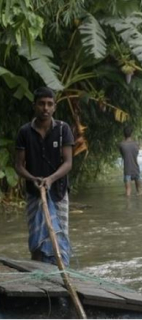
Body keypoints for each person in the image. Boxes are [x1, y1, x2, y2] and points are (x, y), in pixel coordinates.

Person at [14, 87, 74, 266]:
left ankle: (61, 275)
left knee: (59, 236)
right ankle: (39, 278)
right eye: (41, 104)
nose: (45, 108)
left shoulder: (63, 130)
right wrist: (33, 179)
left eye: (49, 104)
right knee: (37, 240)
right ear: (35, 106)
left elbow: (68, 163)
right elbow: (18, 165)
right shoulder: (24, 132)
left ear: (54, 107)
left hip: (58, 193)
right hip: (34, 193)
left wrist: (50, 179)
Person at [119, 126, 141, 196]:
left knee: (128, 191)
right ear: (131, 134)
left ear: (123, 134)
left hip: (127, 170)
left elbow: (123, 155)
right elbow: (136, 154)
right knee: (139, 191)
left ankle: (128, 206)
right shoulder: (136, 144)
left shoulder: (121, 145)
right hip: (136, 169)